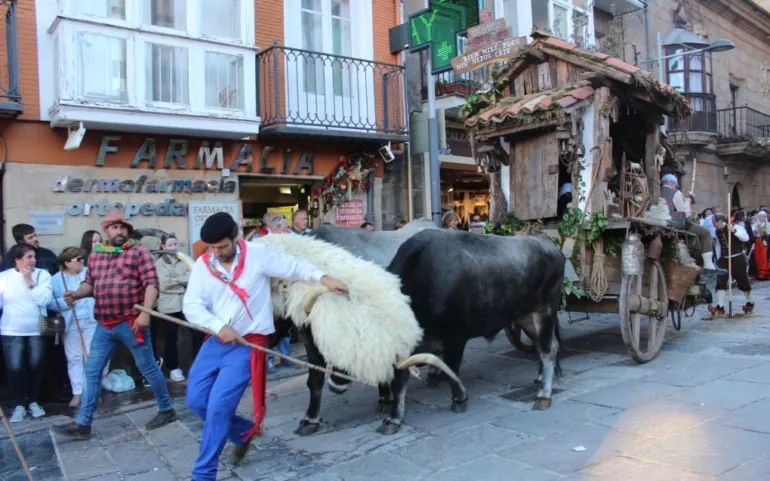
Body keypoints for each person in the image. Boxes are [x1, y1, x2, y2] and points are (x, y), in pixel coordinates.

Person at [182, 212, 349, 480]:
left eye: (221, 247)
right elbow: (192, 305)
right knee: (196, 400)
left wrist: (324, 278)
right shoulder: (204, 265)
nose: (216, 253)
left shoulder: (258, 255)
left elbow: (294, 266)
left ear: (235, 237)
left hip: (248, 345)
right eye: (211, 248)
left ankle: (203, 474)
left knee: (219, 408)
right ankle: (242, 432)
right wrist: (218, 326)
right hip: (215, 341)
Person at [53, 210, 175, 440]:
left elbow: (151, 284)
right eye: (114, 227)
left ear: (127, 230)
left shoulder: (139, 252)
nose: (119, 231)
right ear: (106, 230)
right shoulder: (96, 255)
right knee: (92, 371)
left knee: (148, 368)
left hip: (132, 323)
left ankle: (166, 409)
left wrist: (145, 313)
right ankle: (83, 424)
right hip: (104, 325)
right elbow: (90, 284)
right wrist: (76, 294)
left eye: (122, 227)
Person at [0, 243, 53, 422]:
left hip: (36, 330)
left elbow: (43, 299)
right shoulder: (4, 277)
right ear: (17, 259)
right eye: (29, 257)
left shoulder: (42, 275)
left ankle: (33, 401)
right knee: (15, 368)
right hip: (11, 330)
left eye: (34, 257)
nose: (33, 260)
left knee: (35, 366)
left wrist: (29, 280)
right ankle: (18, 405)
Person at [48, 247, 98, 408]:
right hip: (71, 322)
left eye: (83, 259)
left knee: (92, 356)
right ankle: (77, 392)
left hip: (91, 320)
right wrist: (65, 302)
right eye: (78, 260)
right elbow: (49, 302)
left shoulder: (89, 273)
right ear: (67, 263)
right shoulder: (56, 279)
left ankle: (92, 391)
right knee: (74, 357)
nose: (82, 262)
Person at [155, 234, 201, 382]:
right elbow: (164, 285)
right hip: (169, 306)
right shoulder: (159, 264)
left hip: (186, 304)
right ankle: (173, 369)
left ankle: (198, 366)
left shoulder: (184, 260)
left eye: (175, 244)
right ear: (163, 247)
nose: (173, 248)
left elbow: (195, 277)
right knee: (171, 337)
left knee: (197, 334)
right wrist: (183, 282)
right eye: (170, 245)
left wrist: (175, 281)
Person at [660, 174, 724, 274]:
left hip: (660, 221)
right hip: (674, 223)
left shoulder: (657, 191)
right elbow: (684, 213)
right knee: (706, 233)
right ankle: (708, 265)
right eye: (675, 185)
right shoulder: (676, 192)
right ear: (670, 183)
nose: (676, 187)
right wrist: (688, 202)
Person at [708, 214, 754, 316]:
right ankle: (720, 307)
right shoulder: (717, 231)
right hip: (724, 259)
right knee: (721, 280)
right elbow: (719, 245)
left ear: (720, 221)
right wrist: (717, 259)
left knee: (742, 280)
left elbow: (746, 238)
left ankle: (750, 302)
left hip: (737, 257)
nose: (713, 224)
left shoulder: (735, 226)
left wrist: (734, 231)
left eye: (714, 222)